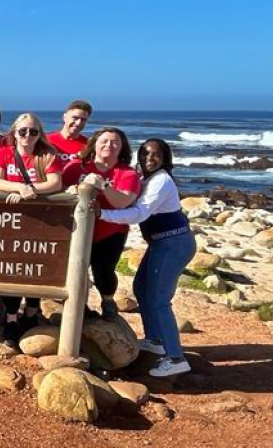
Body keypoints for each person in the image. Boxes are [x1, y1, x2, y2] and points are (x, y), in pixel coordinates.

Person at [94, 138, 196, 378]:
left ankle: (176, 358)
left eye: (156, 155)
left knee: (159, 300)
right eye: (145, 154)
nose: (150, 158)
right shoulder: (145, 179)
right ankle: (155, 340)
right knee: (141, 288)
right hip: (161, 242)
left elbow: (139, 213)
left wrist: (102, 214)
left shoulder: (161, 181)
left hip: (174, 244)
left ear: (165, 158)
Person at [0, 112, 65, 347]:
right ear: (14, 133)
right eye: (23, 131)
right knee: (9, 268)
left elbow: (56, 182)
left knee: (34, 268)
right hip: (9, 223)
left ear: (39, 134)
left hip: (40, 223)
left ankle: (32, 312)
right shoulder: (4, 153)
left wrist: (32, 190)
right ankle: (11, 318)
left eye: (33, 131)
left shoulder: (47, 155)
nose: (28, 136)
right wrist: (21, 188)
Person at [63, 127, 140, 319]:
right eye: (104, 141)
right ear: (94, 145)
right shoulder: (76, 166)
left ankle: (107, 300)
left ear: (122, 148)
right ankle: (81, 308)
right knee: (76, 271)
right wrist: (72, 188)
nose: (109, 145)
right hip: (76, 230)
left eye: (115, 142)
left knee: (103, 272)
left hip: (110, 232)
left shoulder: (127, 173)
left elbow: (122, 202)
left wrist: (103, 185)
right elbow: (59, 187)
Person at [48, 99, 93, 164]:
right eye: (75, 118)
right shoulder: (47, 141)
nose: (78, 123)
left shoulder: (88, 146)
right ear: (64, 117)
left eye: (83, 120)